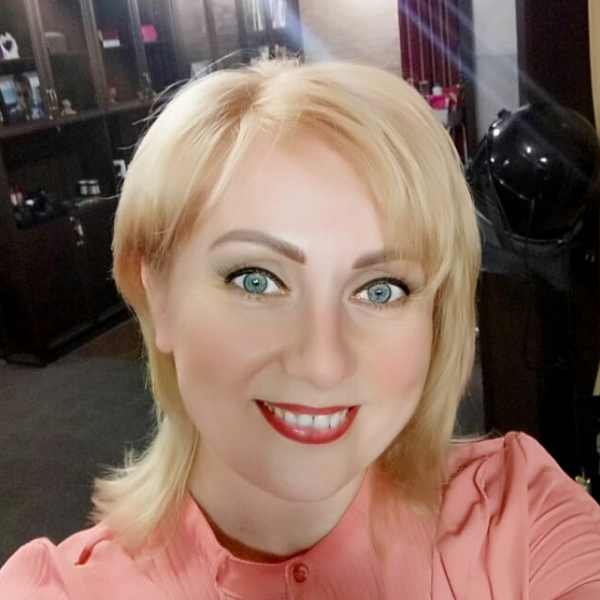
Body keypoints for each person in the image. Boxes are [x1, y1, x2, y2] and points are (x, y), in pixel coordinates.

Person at [1, 59, 600, 599]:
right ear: (157, 295)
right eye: (256, 280)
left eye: (381, 289)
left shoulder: (521, 517)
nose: (322, 363)